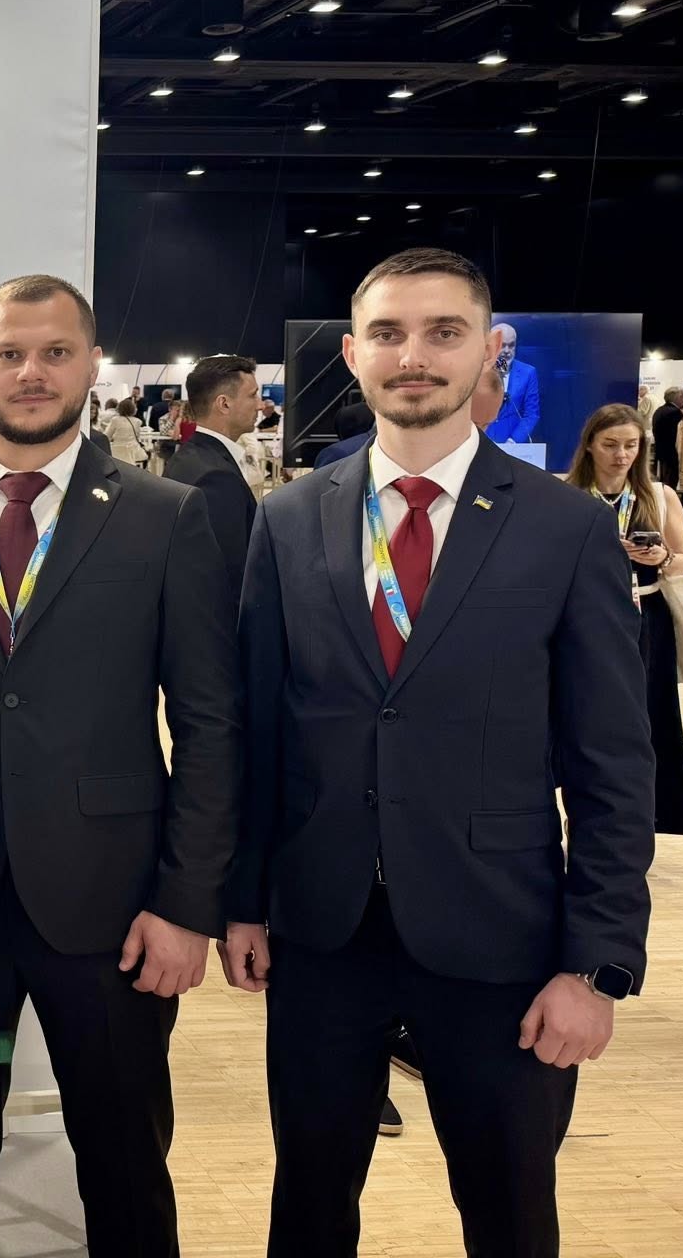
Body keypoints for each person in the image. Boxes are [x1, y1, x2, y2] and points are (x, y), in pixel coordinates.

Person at [223, 247, 654, 1258]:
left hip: (501, 940)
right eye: (387, 333)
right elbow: (259, 728)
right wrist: (240, 899)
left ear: (486, 350)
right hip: (322, 933)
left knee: (509, 1214)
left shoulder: (563, 529)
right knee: (307, 1209)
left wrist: (594, 966)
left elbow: (610, 766)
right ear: (352, 353)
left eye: (441, 332)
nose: (412, 356)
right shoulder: (288, 520)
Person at [0, 275, 239, 1258]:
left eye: (55, 352)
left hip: (110, 918)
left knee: (120, 1154)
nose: (32, 372)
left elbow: (208, 725)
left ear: (91, 365)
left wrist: (187, 903)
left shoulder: (164, 516)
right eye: (11, 354)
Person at [567, 404, 683, 834]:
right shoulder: (569, 495)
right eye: (611, 445)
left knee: (654, 712)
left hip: (647, 615)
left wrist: (662, 557)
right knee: (592, 713)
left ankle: (662, 812)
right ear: (590, 445)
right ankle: (593, 811)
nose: (621, 455)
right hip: (588, 617)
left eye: (631, 446)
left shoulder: (659, 495)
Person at [165, 354, 263, 601]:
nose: (260, 405)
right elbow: (228, 577)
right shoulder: (216, 478)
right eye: (253, 395)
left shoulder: (188, 458)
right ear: (224, 404)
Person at [485, 322, 543, 445]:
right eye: (502, 345)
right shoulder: (477, 370)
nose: (507, 351)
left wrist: (513, 441)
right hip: (482, 442)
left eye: (511, 346)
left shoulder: (528, 373)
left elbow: (531, 414)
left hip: (512, 445)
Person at [101, 395, 151, 469]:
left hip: (117, 451)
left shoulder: (115, 420)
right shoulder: (137, 422)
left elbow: (107, 436)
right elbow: (137, 436)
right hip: (133, 451)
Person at [655, 388, 683, 493]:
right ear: (678, 398)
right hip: (672, 453)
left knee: (663, 482)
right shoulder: (675, 413)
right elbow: (678, 436)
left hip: (661, 452)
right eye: (682, 397)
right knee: (670, 483)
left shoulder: (659, 410)